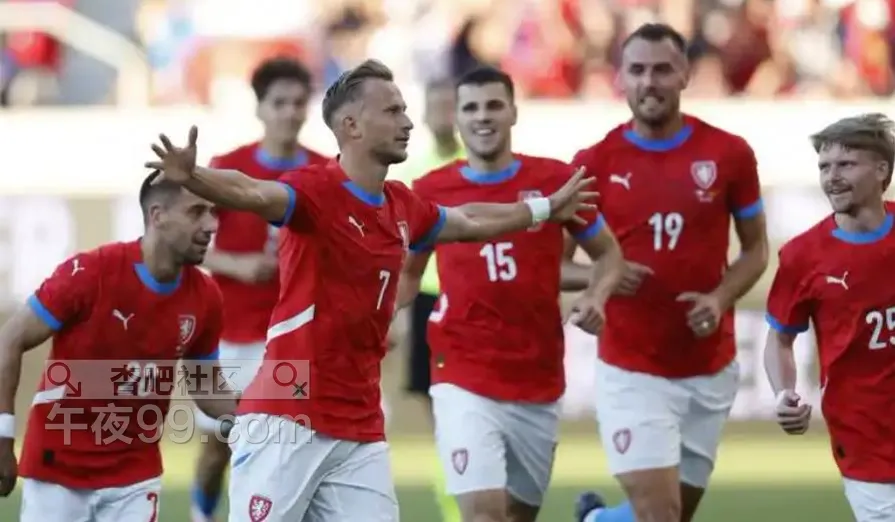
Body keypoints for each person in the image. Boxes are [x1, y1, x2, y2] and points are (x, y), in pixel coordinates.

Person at [144, 58, 596, 522]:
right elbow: (253, 192)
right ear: (351, 125)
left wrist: (543, 209)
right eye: (393, 111)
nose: (407, 122)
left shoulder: (402, 203)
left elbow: (468, 220)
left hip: (359, 427)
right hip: (289, 417)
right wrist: (194, 177)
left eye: (405, 110)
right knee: (213, 450)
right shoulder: (316, 191)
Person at [399, 66, 624, 522]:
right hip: (461, 372)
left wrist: (596, 296)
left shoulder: (557, 181)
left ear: (514, 112)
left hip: (536, 375)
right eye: (471, 108)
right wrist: (374, 318)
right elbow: (408, 274)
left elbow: (609, 254)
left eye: (493, 105)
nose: (483, 116)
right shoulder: (430, 190)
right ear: (457, 118)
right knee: (483, 515)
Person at [572, 23, 769, 522]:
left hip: (709, 364)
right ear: (620, 78)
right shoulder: (594, 163)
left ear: (685, 75)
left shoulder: (728, 154)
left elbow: (755, 251)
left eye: (662, 69)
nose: (649, 81)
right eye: (637, 70)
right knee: (660, 514)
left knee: (673, 515)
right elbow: (553, 264)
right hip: (631, 368)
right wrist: (602, 282)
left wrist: (719, 299)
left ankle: (598, 521)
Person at [0, 171, 238, 522]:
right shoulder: (90, 273)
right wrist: (3, 436)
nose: (211, 225)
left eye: (213, 212)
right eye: (196, 212)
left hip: (135, 477)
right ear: (157, 215)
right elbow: (10, 339)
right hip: (58, 470)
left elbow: (206, 386)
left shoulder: (206, 297)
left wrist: (258, 413)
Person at [190, 56, 328, 522]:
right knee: (218, 447)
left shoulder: (324, 172)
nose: (290, 112)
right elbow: (187, 243)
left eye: (298, 102)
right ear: (260, 108)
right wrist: (237, 264)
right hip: (230, 333)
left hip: (294, 340)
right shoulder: (228, 168)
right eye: (279, 102)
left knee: (289, 451)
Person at [764, 113, 895, 522]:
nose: (832, 177)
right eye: (824, 167)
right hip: (865, 437)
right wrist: (783, 394)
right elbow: (779, 339)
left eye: (846, 164)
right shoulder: (803, 257)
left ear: (881, 170)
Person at [391, 78, 465, 522]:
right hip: (428, 298)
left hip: (471, 294)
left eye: (450, 105)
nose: (443, 115)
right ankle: (453, 504)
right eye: (436, 105)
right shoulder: (413, 173)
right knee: (439, 408)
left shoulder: (476, 164)